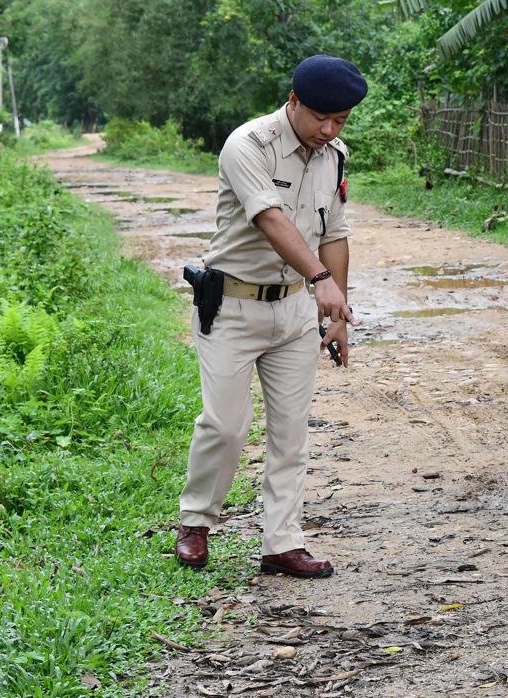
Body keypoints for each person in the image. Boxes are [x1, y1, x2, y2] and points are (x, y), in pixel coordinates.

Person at [174, 55, 367, 578]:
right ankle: (196, 521)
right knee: (225, 424)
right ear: (294, 100)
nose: (329, 130)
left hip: (294, 309)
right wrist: (321, 282)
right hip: (232, 306)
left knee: (291, 432)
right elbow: (269, 219)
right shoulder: (248, 144)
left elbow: (334, 235)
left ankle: (282, 543)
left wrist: (338, 311)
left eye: (341, 121)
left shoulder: (334, 155)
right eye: (321, 117)